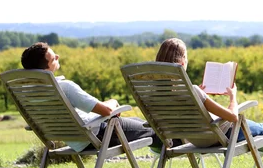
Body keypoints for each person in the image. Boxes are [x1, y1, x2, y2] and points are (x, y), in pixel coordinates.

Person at [155, 38, 263, 148]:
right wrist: (233, 97)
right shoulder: (192, 91)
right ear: (182, 63)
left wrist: (199, 96)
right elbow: (232, 117)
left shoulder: (156, 94)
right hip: (221, 136)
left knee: (261, 128)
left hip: (195, 140)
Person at [20, 42, 162, 152]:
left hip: (76, 141)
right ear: (45, 69)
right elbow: (106, 110)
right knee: (157, 131)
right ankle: (179, 149)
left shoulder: (28, 94)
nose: (58, 56)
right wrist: (114, 102)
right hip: (98, 136)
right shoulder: (65, 88)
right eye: (53, 58)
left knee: (139, 122)